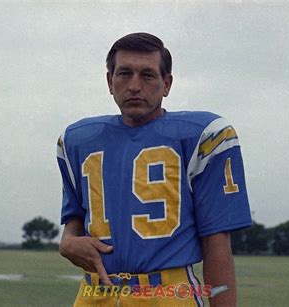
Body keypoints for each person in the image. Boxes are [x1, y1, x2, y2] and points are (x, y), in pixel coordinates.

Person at [57, 32, 252, 307]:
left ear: (166, 84)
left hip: (167, 294)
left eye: (147, 75)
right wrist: (67, 242)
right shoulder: (79, 139)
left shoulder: (201, 136)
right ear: (109, 81)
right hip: (94, 294)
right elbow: (74, 221)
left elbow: (216, 241)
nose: (134, 85)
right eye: (124, 73)